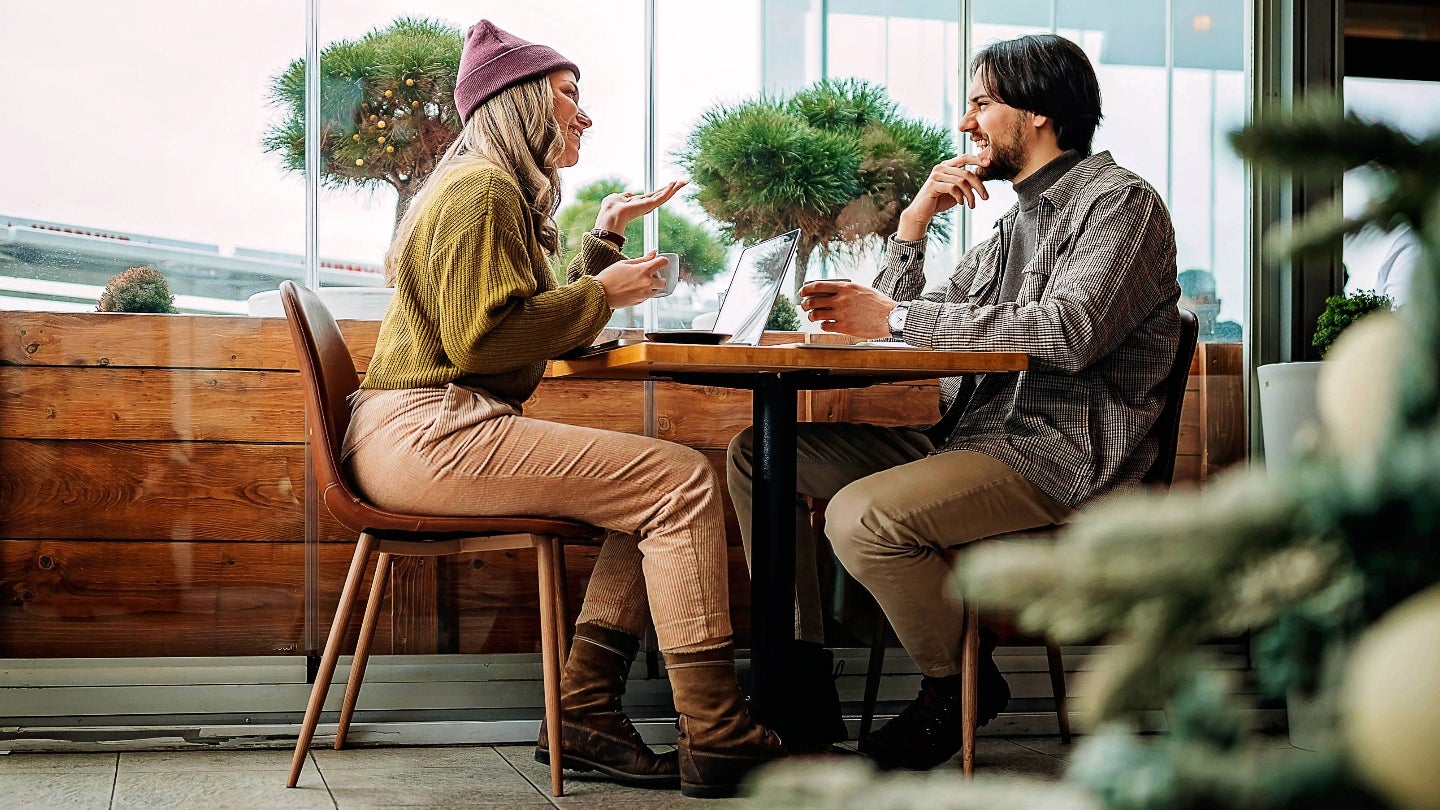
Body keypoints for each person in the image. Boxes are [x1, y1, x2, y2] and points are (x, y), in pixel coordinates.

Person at [344, 20, 783, 799]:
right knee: (681, 482)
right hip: (432, 430)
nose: (583, 114)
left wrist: (602, 243)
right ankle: (718, 733)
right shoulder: (481, 190)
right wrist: (602, 293)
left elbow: (517, 312)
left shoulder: (480, 186)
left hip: (419, 428)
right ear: (518, 104)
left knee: (649, 494)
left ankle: (583, 711)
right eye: (568, 95)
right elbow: (485, 341)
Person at [728, 33, 1180, 769]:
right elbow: (901, 328)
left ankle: (957, 689)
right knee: (763, 457)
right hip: (973, 440)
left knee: (862, 516)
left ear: (1037, 111)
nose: (966, 124)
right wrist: (914, 223)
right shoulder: (1012, 227)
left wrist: (897, 318)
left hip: (1060, 458)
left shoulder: (1119, 204)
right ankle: (799, 684)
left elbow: (1070, 331)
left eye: (981, 103)